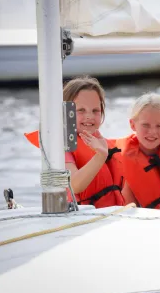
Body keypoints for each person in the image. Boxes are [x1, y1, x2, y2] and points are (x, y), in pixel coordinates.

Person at [25, 75, 125, 208]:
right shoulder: (62, 145)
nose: (89, 116)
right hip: (84, 217)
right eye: (81, 110)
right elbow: (75, 185)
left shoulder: (102, 142)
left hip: (113, 214)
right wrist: (100, 156)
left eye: (95, 110)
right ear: (66, 112)